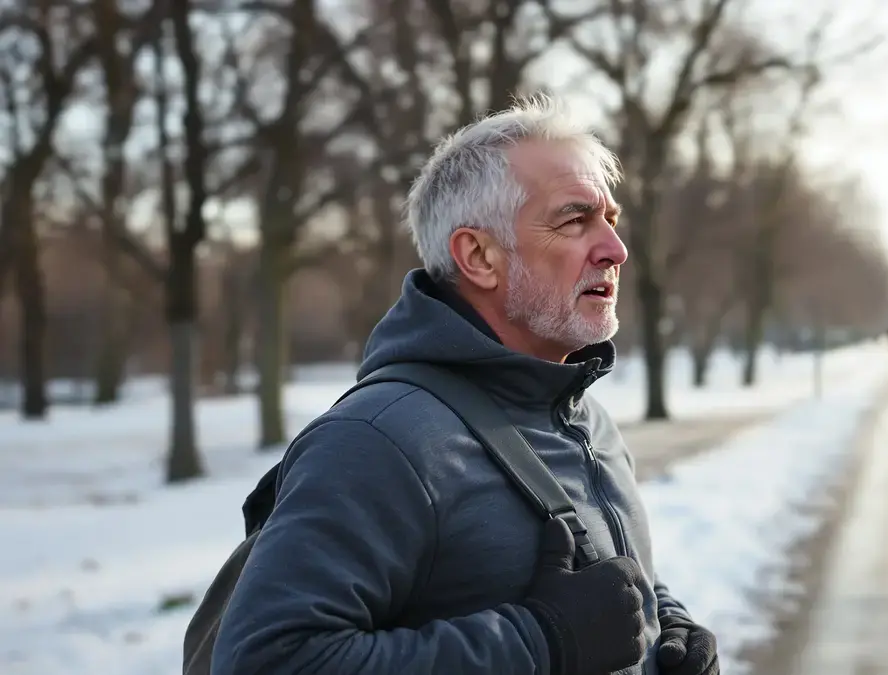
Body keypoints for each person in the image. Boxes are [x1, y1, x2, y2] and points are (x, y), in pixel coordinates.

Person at [210, 94, 719, 675]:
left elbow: (604, 585)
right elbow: (268, 661)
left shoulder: (582, 415)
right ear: (478, 255)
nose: (615, 249)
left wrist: (666, 627)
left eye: (610, 219)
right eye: (575, 220)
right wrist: (542, 640)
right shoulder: (379, 440)